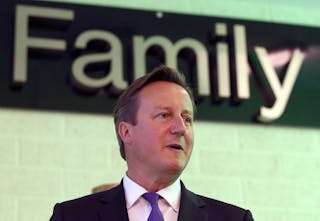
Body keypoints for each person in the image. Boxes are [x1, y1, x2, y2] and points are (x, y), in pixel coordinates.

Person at [50, 65, 254, 221]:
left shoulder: (235, 219)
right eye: (164, 115)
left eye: (187, 118)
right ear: (127, 132)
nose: (180, 128)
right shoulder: (70, 216)